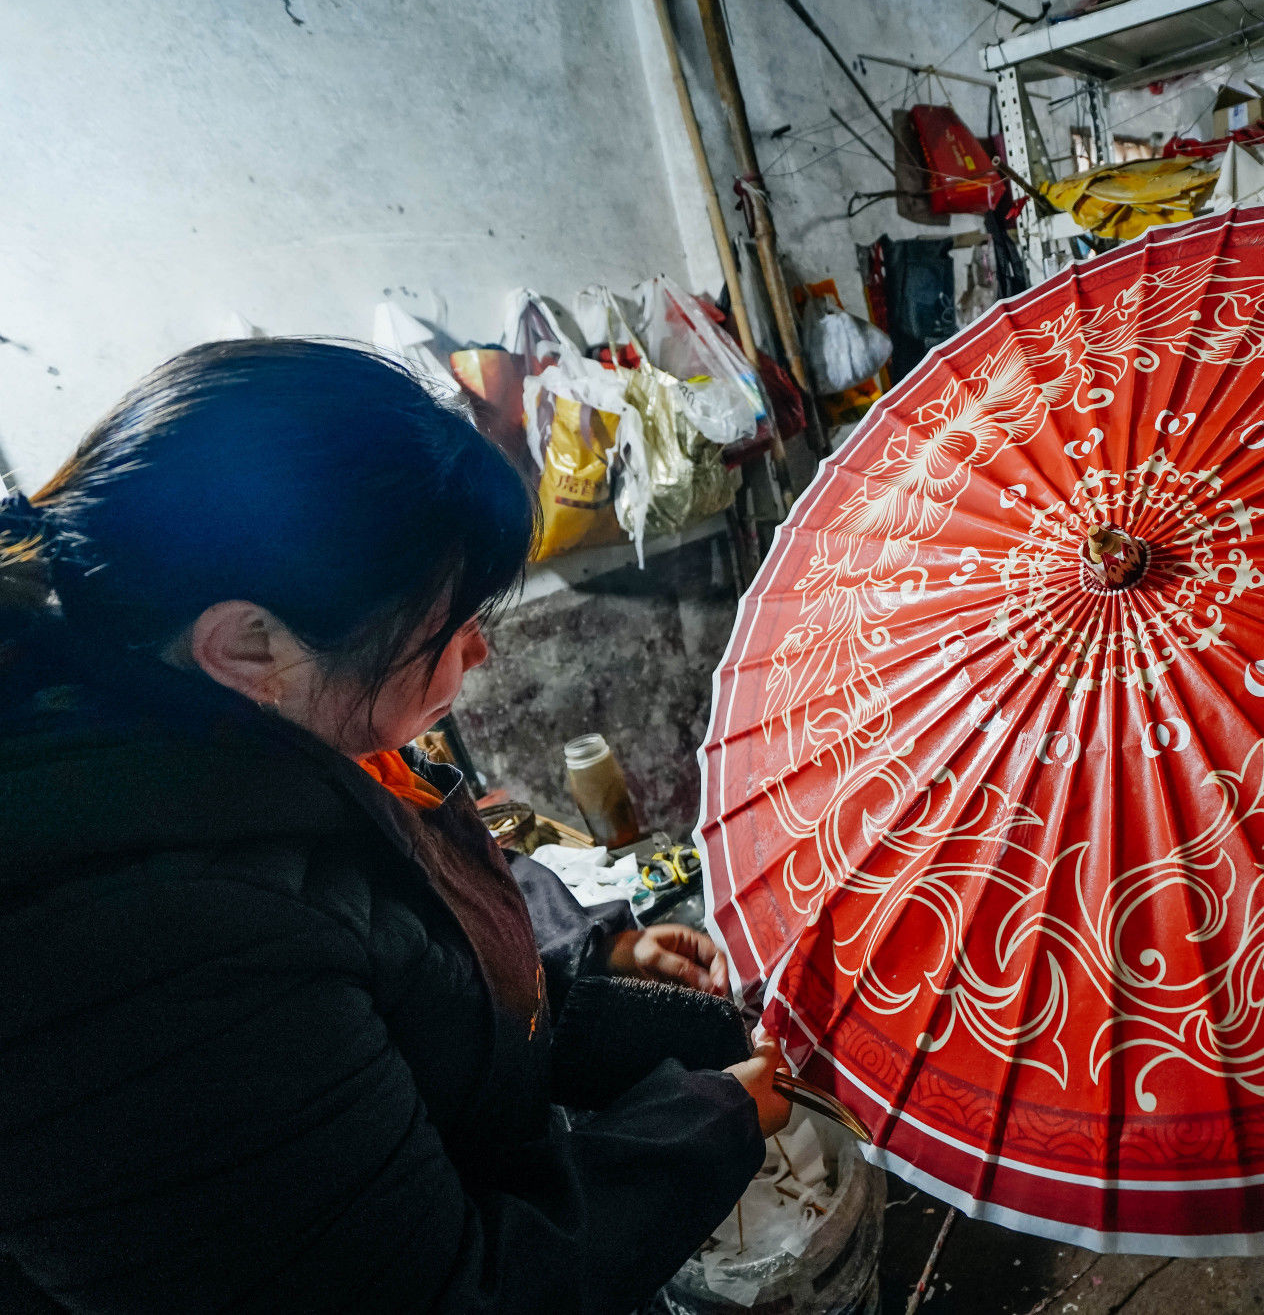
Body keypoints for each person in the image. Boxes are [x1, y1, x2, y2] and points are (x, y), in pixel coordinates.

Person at [0, 340, 785, 1313]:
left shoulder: (229, 733)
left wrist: (668, 1015)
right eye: (445, 631)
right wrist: (708, 1123)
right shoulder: (137, 946)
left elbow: (420, 992)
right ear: (248, 642)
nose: (480, 648)